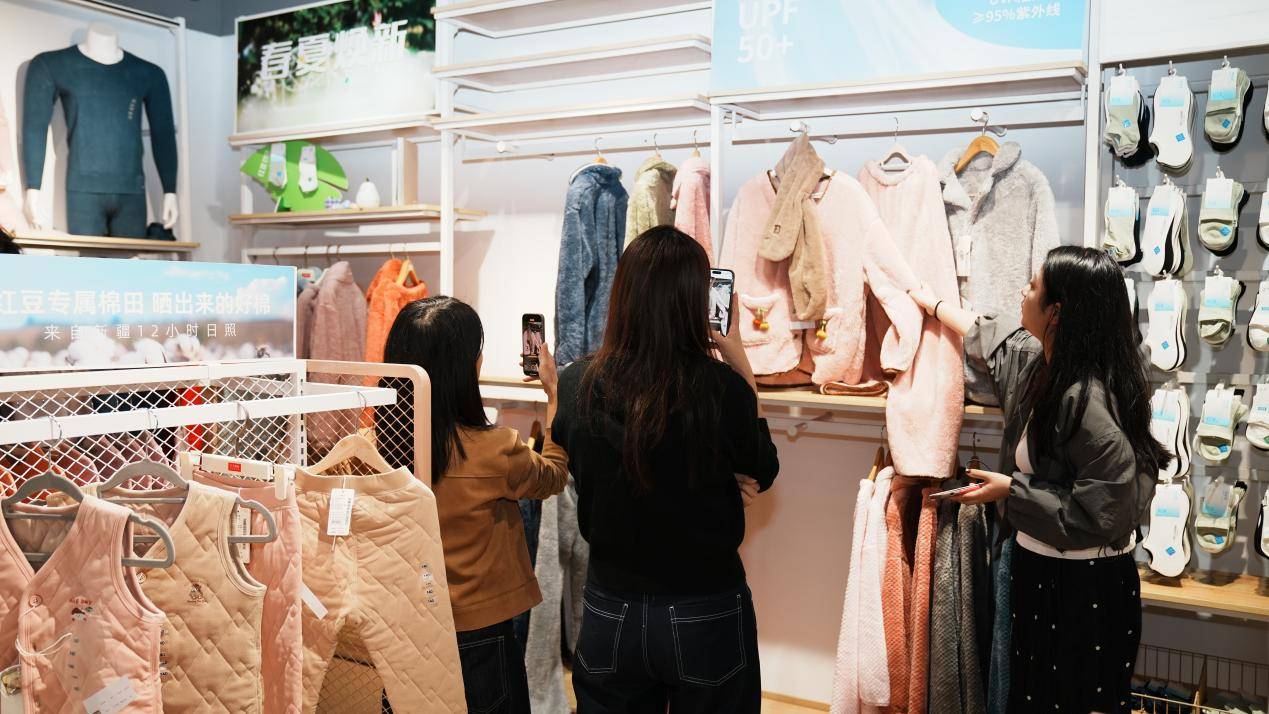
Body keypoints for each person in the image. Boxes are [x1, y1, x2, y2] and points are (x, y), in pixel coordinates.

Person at [909, 246, 1168, 714]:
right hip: (1044, 572)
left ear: (1057, 312)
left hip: (1079, 589)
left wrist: (1011, 491)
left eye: (1032, 286)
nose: (1022, 292)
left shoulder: (1087, 400)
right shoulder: (1043, 365)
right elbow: (994, 337)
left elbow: (1104, 514)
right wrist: (934, 305)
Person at [552, 225, 780, 714]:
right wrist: (738, 358)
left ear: (623, 296)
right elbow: (762, 466)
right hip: (705, 605)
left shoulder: (575, 385)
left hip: (610, 607)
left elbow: (592, 463)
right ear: (694, 300)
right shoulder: (722, 388)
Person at [381, 297, 570, 714]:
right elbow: (554, 476)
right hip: (480, 633)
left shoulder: (377, 452)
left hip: (405, 627)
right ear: (464, 369)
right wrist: (554, 395)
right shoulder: (496, 450)